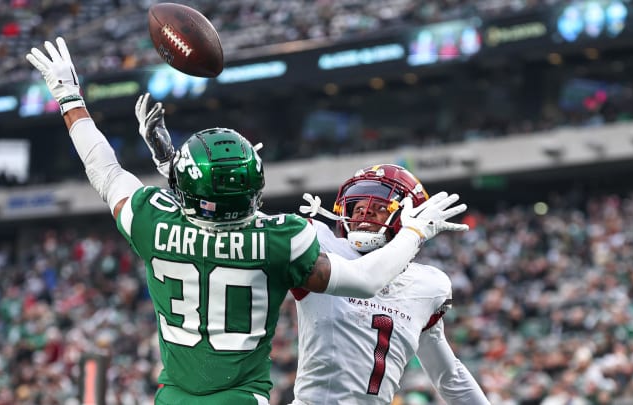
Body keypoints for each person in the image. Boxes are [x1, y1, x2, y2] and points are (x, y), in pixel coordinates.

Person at [26, 37, 470, 405]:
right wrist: (416, 229)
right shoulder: (282, 240)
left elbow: (105, 170)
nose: (364, 215)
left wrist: (69, 97)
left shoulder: (152, 220)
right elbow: (364, 279)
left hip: (174, 397)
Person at [293, 164, 491, 404]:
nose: (364, 216)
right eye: (359, 208)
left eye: (379, 208)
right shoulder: (321, 246)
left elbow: (449, 376)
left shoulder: (429, 285)